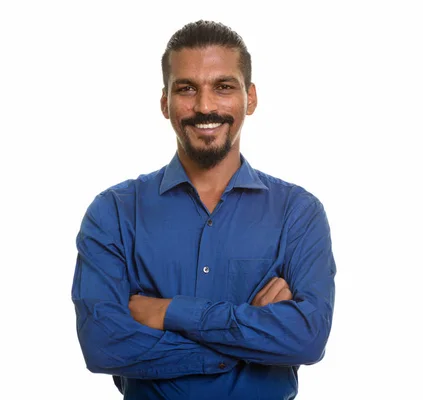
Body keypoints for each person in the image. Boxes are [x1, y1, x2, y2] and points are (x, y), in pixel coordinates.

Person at [71, 20, 336, 399]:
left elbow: (308, 339)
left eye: (223, 87)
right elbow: (102, 344)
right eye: (186, 89)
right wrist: (250, 345)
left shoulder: (298, 213)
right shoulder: (113, 212)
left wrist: (168, 313)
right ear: (165, 102)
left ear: (251, 98)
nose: (205, 106)